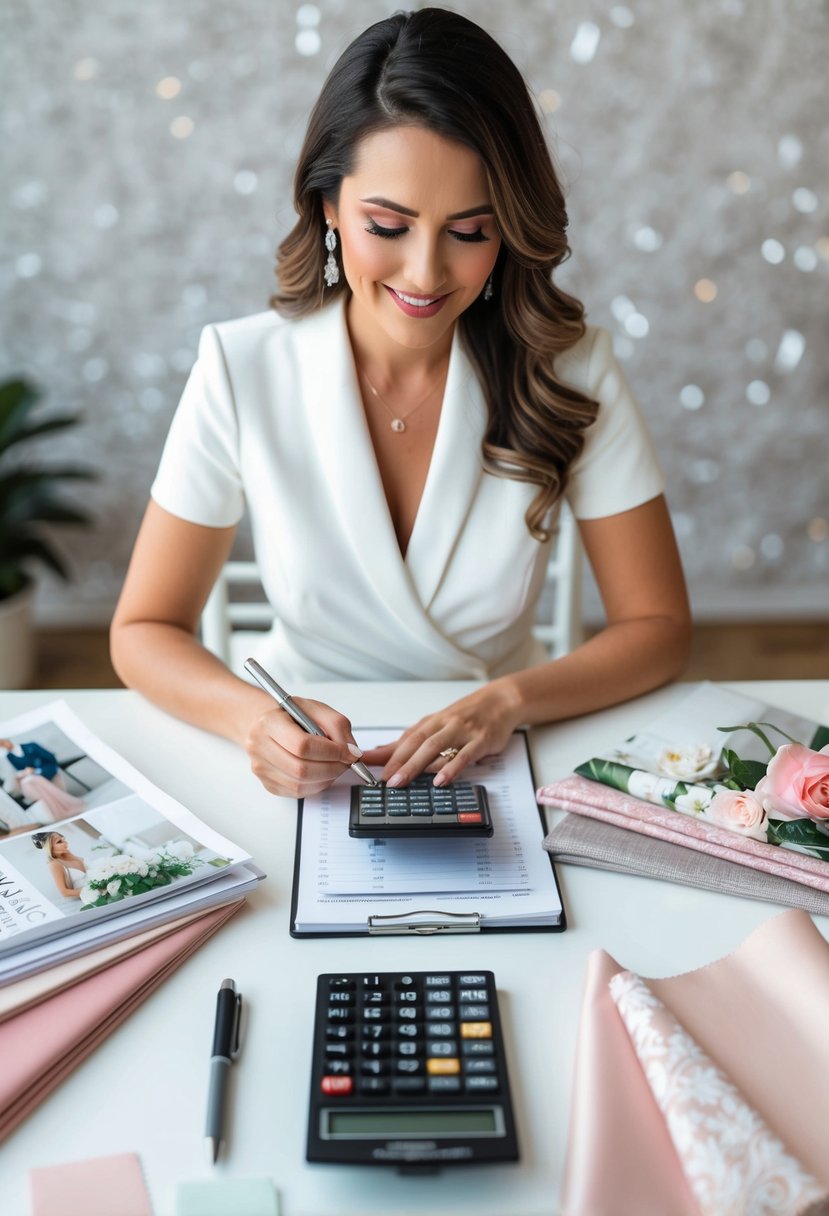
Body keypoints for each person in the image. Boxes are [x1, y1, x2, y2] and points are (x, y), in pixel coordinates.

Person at [111, 8, 691, 800]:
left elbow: (657, 630)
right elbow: (143, 631)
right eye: (387, 224)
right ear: (326, 204)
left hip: (499, 758)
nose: (423, 274)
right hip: (304, 768)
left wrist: (508, 701)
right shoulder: (240, 366)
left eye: (468, 231)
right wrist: (253, 721)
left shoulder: (572, 369)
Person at [32, 831, 87, 901]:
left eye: (64, 839)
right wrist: (92, 891)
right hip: (83, 899)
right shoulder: (54, 864)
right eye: (59, 841)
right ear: (49, 847)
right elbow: (64, 892)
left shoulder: (71, 856)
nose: (66, 843)